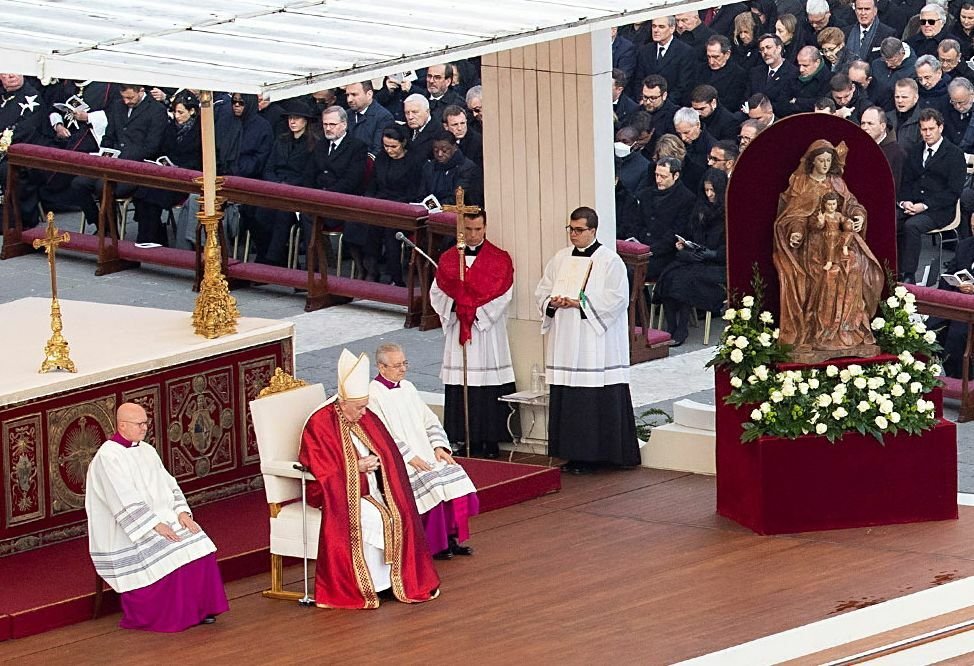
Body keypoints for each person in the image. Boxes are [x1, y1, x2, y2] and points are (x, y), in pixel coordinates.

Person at [299, 349, 440, 609]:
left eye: (365, 406)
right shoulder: (320, 424)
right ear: (342, 404)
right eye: (359, 408)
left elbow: (389, 452)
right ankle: (367, 586)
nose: (364, 413)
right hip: (341, 492)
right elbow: (321, 469)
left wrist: (378, 465)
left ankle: (391, 582)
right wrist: (356, 466)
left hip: (372, 488)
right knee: (379, 518)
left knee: (400, 514)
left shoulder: (364, 415)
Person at [85, 402, 228, 631]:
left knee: (200, 544)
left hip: (164, 516)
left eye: (145, 423)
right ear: (122, 425)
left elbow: (169, 483)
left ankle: (200, 610)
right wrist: (154, 525)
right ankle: (172, 615)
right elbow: (121, 498)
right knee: (173, 552)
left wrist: (182, 512)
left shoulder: (146, 450)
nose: (144, 428)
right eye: (139, 424)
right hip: (130, 529)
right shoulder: (108, 457)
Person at [535, 207, 639, 475]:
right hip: (566, 339)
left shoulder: (609, 261)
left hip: (595, 344)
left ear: (593, 230)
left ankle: (601, 456)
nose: (573, 235)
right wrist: (553, 303)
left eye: (579, 230)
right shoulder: (560, 259)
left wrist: (581, 305)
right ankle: (572, 454)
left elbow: (617, 300)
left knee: (592, 398)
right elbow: (542, 291)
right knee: (570, 397)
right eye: (570, 229)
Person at [368, 343, 480, 560]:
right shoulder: (373, 395)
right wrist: (410, 457)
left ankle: (451, 537)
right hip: (402, 460)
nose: (403, 369)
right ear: (381, 367)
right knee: (433, 485)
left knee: (455, 478)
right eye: (397, 365)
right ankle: (436, 545)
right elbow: (382, 435)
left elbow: (430, 421)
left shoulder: (408, 387)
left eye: (405, 363)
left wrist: (439, 447)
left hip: (427, 453)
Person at [772, 139, 876, 357]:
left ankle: (846, 329)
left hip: (839, 242)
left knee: (855, 267)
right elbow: (793, 216)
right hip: (814, 246)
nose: (826, 164)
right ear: (812, 162)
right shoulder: (802, 184)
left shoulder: (836, 182)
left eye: (829, 160)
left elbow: (851, 204)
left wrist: (857, 216)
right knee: (826, 275)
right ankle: (821, 331)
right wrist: (797, 232)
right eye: (821, 160)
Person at [430, 209, 516, 459]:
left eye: (478, 229)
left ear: (485, 227)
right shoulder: (448, 259)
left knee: (487, 385)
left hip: (486, 332)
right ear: (460, 229)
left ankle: (490, 439)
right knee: (461, 382)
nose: (473, 234)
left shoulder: (499, 259)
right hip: (459, 329)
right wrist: (457, 307)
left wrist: (475, 312)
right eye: (468, 229)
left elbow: (504, 294)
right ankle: (461, 436)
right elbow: (438, 293)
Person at [655, 168, 728, 346]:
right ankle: (671, 325)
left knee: (685, 280)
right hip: (696, 258)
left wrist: (712, 254)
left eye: (713, 191)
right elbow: (691, 233)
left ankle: (681, 329)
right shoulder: (700, 209)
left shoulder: (728, 211)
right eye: (706, 190)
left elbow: (729, 246)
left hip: (717, 264)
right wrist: (684, 243)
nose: (710, 195)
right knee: (669, 275)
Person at [897, 108, 967, 283]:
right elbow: (906, 181)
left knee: (912, 226)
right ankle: (892, 268)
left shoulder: (954, 154)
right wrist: (904, 202)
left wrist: (925, 205)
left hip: (939, 209)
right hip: (913, 204)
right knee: (891, 219)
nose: (927, 134)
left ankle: (908, 275)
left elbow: (953, 192)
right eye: (923, 129)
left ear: (940, 128)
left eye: (931, 129)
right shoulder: (915, 151)